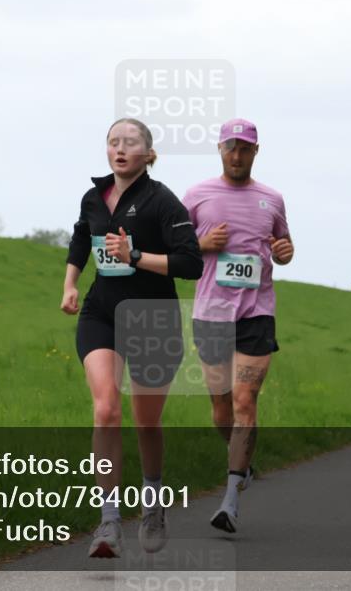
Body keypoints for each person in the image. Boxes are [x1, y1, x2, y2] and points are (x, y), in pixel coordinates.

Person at [62, 118, 203, 557]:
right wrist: (70, 283)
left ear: (148, 154)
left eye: (131, 143)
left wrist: (137, 255)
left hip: (153, 318)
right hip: (101, 311)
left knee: (146, 421)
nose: (120, 149)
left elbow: (191, 264)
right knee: (105, 409)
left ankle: (152, 505)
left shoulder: (163, 202)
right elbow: (81, 239)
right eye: (113, 142)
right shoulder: (93, 196)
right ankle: (107, 522)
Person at [182, 118, 293, 534]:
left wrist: (285, 252)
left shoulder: (272, 199)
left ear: (256, 151)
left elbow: (284, 246)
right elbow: (173, 248)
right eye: (231, 147)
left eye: (245, 148)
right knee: (221, 408)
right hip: (210, 312)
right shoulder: (196, 196)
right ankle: (242, 464)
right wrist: (200, 244)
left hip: (256, 312)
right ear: (220, 149)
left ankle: (230, 500)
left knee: (246, 400)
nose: (237, 154)